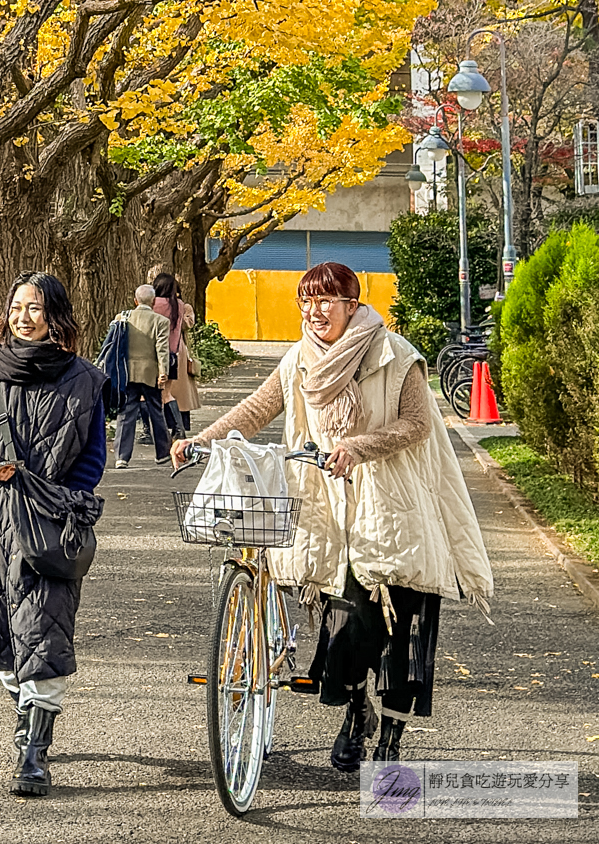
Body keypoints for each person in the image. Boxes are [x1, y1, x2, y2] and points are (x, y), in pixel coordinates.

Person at [171, 261, 492, 771]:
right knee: (344, 620)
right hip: (328, 508)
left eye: (326, 301)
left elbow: (416, 425)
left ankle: (389, 739)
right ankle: (354, 710)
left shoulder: (396, 355)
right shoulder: (300, 359)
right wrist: (202, 440)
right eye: (307, 301)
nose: (315, 311)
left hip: (392, 505)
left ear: (352, 304)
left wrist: (359, 446)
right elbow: (257, 409)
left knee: (399, 626)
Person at [0, 271, 106, 798]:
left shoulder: (86, 380)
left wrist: (64, 498)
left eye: (35, 308)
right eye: (17, 307)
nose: (23, 317)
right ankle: (26, 715)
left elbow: (93, 457)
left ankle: (34, 754)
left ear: (54, 316)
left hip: (51, 522)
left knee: (45, 628)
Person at [113, 282, 170, 468]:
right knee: (156, 412)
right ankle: (162, 453)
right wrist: (163, 373)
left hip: (127, 373)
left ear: (135, 300)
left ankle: (121, 456)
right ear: (153, 302)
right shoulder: (161, 322)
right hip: (150, 374)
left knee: (126, 413)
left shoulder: (123, 318)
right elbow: (162, 349)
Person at [153, 271, 200, 438]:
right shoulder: (179, 305)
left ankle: (150, 429)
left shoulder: (152, 304)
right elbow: (188, 325)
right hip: (175, 351)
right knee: (171, 393)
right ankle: (179, 427)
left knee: (151, 393)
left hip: (153, 351)